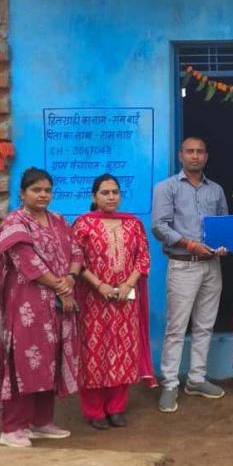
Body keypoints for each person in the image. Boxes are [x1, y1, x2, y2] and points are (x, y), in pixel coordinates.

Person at [0, 168, 81, 448]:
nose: (43, 195)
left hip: (57, 305)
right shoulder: (15, 223)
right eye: (36, 190)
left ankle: (41, 422)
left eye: (47, 190)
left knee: (50, 360)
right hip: (27, 305)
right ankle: (12, 427)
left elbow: (77, 251)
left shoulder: (58, 220)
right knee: (25, 361)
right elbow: (28, 263)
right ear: (22, 193)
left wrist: (71, 277)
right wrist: (62, 287)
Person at [152, 136, 228, 413]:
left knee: (205, 325)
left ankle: (196, 379)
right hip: (183, 263)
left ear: (206, 156)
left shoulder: (216, 190)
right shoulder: (167, 188)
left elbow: (223, 225)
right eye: (190, 151)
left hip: (212, 265)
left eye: (200, 152)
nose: (195, 156)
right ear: (180, 155)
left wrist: (224, 245)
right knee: (176, 327)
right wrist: (189, 244)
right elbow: (159, 226)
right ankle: (170, 383)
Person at [73, 174, 156, 429]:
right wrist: (99, 285)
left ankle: (117, 407)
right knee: (94, 352)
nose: (111, 197)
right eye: (105, 193)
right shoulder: (83, 224)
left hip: (125, 300)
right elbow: (75, 260)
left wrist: (128, 284)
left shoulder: (133, 224)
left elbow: (143, 258)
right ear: (94, 196)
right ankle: (94, 410)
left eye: (115, 192)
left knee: (123, 351)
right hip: (93, 299)